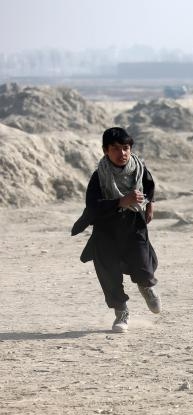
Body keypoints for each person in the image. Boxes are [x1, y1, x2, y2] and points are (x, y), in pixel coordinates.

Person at [72, 127, 160, 332]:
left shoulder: (139, 168)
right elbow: (93, 207)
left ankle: (146, 287)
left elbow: (149, 186)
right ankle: (121, 313)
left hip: (133, 225)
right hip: (106, 231)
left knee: (143, 264)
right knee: (109, 274)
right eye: (116, 149)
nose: (122, 153)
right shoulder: (99, 177)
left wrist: (149, 205)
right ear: (105, 151)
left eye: (126, 148)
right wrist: (121, 201)